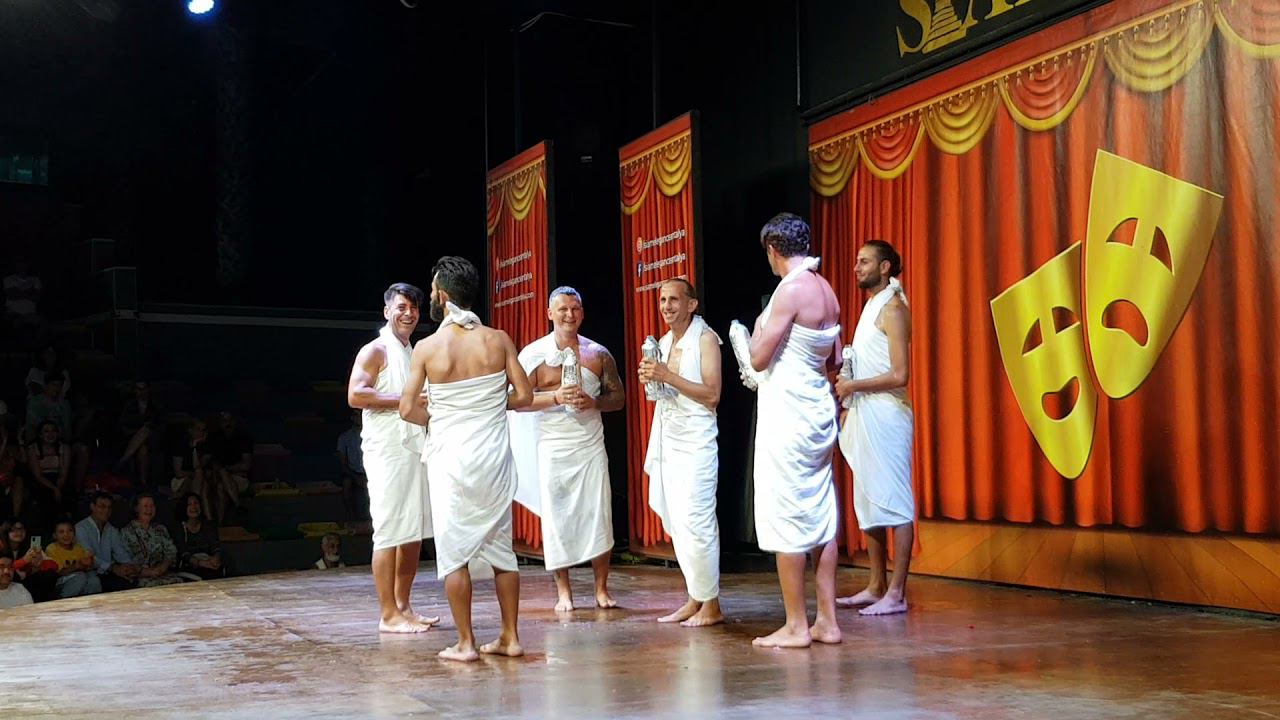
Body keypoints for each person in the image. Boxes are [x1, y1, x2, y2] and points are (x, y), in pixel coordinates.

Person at [400, 255, 532, 662]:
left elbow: (407, 409)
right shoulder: (498, 339)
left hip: (451, 461)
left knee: (454, 553)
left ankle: (466, 643)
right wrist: (488, 405)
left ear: (442, 295)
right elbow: (525, 396)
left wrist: (439, 418)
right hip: (492, 460)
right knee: (502, 551)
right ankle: (510, 638)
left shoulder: (427, 348)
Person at [742, 212, 843, 648]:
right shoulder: (826, 288)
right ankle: (828, 622)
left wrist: (753, 331)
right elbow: (835, 359)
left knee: (788, 513)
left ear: (772, 250)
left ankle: (797, 625)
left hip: (790, 416)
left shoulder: (791, 290)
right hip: (817, 409)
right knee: (820, 514)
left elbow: (759, 358)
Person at [510, 286, 626, 612]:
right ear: (550, 313)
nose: (569, 315)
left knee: (598, 514)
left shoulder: (598, 354)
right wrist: (555, 397)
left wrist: (595, 401)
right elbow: (515, 400)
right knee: (556, 518)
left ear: (582, 313)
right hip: (552, 445)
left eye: (575, 309)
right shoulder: (534, 354)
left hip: (589, 445)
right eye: (562, 309)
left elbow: (618, 398)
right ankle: (564, 591)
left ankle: (601, 588)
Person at [347, 282, 436, 633]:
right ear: (387, 311)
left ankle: (404, 606)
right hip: (387, 451)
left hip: (415, 449)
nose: (408, 313)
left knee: (412, 530)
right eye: (401, 307)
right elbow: (356, 394)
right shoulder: (376, 350)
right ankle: (388, 614)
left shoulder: (414, 352)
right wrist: (405, 398)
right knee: (388, 532)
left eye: (413, 308)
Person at [636, 278, 725, 627]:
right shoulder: (662, 342)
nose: (667, 306)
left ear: (692, 304)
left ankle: (712, 605)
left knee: (698, 521)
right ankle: (695, 598)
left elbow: (712, 395)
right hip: (670, 438)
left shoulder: (706, 339)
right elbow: (667, 390)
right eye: (662, 300)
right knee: (680, 523)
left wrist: (667, 376)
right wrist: (653, 380)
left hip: (696, 442)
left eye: (674, 300)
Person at [835, 240, 915, 616]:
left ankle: (897, 593)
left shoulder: (894, 309)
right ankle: (876, 584)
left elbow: (900, 374)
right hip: (865, 412)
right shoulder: (872, 305)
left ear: (885, 267)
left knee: (895, 502)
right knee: (868, 500)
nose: (857, 267)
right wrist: (851, 402)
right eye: (856, 261)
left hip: (887, 415)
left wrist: (853, 386)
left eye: (864, 261)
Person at [75, 491, 140, 592]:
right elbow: (88, 557)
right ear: (92, 507)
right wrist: (113, 568)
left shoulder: (111, 529)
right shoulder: (81, 528)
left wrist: (129, 567)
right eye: (102, 506)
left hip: (107, 574)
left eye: (109, 507)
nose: (106, 511)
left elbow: (120, 552)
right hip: (88, 574)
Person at [120, 493, 182, 587]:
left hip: (163, 574)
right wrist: (146, 572)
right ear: (136, 508)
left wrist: (163, 567)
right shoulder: (126, 532)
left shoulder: (160, 529)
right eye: (145, 506)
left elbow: (171, 551)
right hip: (140, 578)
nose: (149, 509)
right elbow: (125, 560)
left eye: (152, 506)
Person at [171, 493, 224, 580]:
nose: (194, 507)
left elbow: (215, 545)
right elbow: (182, 552)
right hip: (188, 567)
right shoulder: (179, 527)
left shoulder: (208, 525)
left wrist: (216, 558)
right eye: (189, 504)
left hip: (209, 563)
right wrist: (199, 563)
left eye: (196, 503)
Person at [44, 519, 102, 598]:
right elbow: (58, 573)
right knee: (80, 577)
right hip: (60, 582)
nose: (66, 534)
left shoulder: (78, 547)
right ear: (55, 535)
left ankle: (90, 602)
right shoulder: (52, 549)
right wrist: (76, 566)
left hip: (79, 580)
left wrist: (89, 562)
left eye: (70, 531)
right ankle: (64, 601)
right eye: (61, 532)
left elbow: (86, 567)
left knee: (94, 580)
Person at [336, 410, 367, 517]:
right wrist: (356, 477)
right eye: (357, 415)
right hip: (353, 473)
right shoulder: (345, 437)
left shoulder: (374, 435)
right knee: (347, 484)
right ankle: (352, 517)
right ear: (352, 418)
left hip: (372, 473)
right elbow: (343, 462)